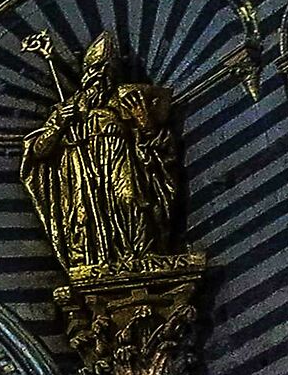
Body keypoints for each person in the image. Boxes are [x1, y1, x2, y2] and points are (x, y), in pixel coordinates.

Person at [19, 33, 180, 274]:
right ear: (85, 75)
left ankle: (140, 256)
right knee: (85, 219)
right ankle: (96, 261)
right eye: (94, 71)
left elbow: (160, 147)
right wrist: (60, 125)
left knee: (130, 201)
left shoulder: (126, 100)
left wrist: (144, 123)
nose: (99, 77)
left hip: (120, 163)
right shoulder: (70, 108)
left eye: (105, 71)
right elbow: (39, 151)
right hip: (82, 175)